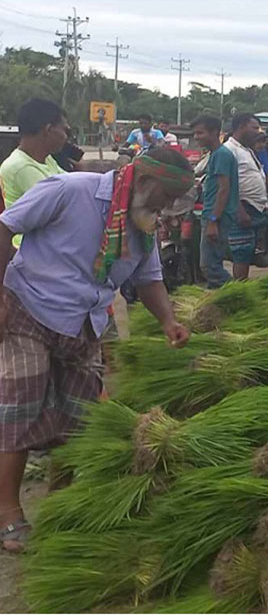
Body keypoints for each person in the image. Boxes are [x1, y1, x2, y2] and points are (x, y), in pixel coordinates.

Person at [0, 148, 193, 552]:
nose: (171, 207)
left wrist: (168, 321)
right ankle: (9, 517)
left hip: (84, 326)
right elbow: (4, 228)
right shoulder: (69, 190)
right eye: (169, 195)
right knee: (19, 411)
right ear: (143, 182)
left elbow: (149, 278)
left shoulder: (142, 224)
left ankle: (59, 506)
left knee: (79, 422)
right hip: (29, 311)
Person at [0, 99, 67, 236]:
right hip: (27, 248)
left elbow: (69, 183)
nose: (66, 138)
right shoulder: (21, 167)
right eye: (65, 131)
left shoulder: (46, 159)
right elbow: (59, 205)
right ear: (48, 130)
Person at [191, 115, 239, 289]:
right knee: (210, 264)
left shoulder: (221, 155)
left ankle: (237, 294)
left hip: (217, 216)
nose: (196, 137)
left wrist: (213, 221)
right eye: (195, 133)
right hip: (212, 214)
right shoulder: (215, 155)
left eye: (200, 133)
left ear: (214, 132)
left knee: (210, 265)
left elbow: (223, 189)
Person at [223, 113, 268, 281]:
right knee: (241, 252)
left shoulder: (247, 150)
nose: (257, 132)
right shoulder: (230, 150)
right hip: (242, 208)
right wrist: (239, 210)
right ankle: (239, 288)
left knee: (248, 250)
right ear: (241, 126)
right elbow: (227, 185)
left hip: (255, 209)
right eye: (254, 128)